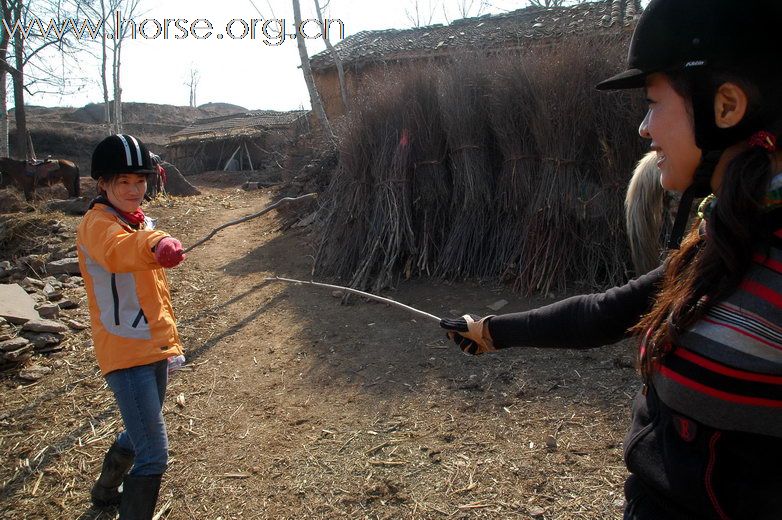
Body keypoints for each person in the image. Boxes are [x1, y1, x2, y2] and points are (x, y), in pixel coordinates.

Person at [440, 0, 782, 518]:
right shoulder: (728, 236)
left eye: (652, 102)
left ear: (727, 106)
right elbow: (609, 311)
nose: (645, 129)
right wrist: (491, 331)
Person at [77, 134, 186, 519]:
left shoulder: (138, 221)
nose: (133, 189)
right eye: (123, 181)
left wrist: (169, 340)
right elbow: (116, 251)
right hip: (126, 352)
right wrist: (155, 243)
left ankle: (105, 491)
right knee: (154, 454)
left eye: (139, 181)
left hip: (151, 345)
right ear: (103, 184)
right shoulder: (97, 224)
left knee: (139, 430)